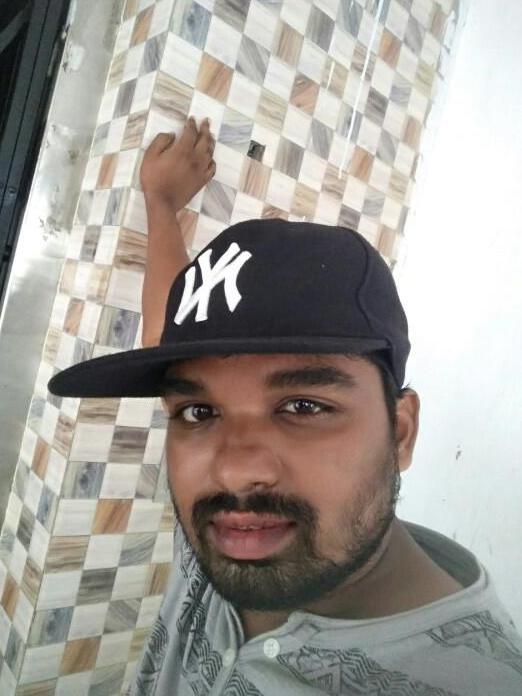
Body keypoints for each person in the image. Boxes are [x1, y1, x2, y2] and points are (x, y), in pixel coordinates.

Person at [49, 118, 522, 695]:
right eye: (199, 412)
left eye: (302, 405)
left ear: (400, 431)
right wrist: (162, 203)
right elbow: (163, 341)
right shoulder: (239, 528)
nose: (233, 470)